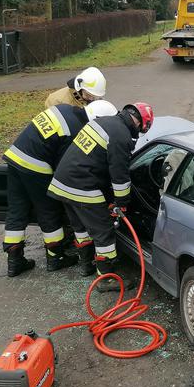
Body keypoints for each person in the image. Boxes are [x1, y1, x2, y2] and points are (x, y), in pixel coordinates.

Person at [3, 100, 118, 277]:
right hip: (36, 167)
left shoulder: (64, 108)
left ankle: (14, 261)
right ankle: (55, 258)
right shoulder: (76, 130)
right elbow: (66, 166)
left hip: (15, 157)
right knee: (49, 211)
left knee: (17, 210)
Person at [47, 102, 154, 292]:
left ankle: (86, 264)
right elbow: (119, 177)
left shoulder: (104, 122)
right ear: (141, 124)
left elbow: (96, 159)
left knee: (80, 227)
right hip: (83, 187)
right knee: (104, 231)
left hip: (63, 183)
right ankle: (106, 278)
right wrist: (121, 204)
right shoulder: (121, 136)